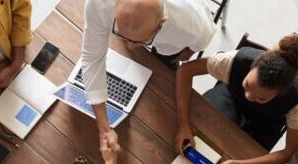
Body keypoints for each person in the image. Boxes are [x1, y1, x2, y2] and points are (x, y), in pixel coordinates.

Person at [81, 0, 215, 154]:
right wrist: (104, 128)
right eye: (122, 34)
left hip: (173, 43)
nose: (130, 46)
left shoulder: (190, 23)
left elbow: (204, 37)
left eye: (140, 41)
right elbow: (92, 59)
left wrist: (190, 50)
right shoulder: (98, 3)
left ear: (161, 23)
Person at [175, 33, 298, 164]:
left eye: (261, 98)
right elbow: (185, 71)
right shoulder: (236, 61)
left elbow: (291, 151)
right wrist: (183, 124)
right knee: (202, 129)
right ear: (252, 66)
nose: (248, 96)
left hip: (265, 124)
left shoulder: (296, 102)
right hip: (230, 99)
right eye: (247, 85)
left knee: (240, 163)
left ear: (280, 94)